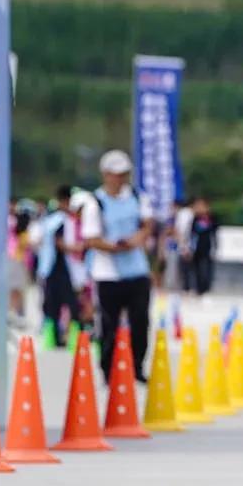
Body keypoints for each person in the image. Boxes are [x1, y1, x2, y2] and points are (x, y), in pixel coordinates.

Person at [80, 151, 155, 382]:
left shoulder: (136, 197)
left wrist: (135, 240)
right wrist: (114, 247)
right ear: (106, 175)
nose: (120, 179)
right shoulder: (95, 203)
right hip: (108, 273)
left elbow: (147, 225)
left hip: (137, 270)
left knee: (140, 321)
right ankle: (108, 369)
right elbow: (91, 238)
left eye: (123, 174)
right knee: (108, 324)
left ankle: (137, 366)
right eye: (115, 174)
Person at [37, 187, 85, 344]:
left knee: (72, 304)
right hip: (54, 268)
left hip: (69, 269)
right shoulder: (57, 220)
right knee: (53, 304)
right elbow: (56, 242)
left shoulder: (67, 220)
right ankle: (54, 337)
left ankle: (73, 338)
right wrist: (76, 248)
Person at [187, 198, 217, 297]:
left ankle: (206, 289)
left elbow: (214, 233)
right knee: (196, 269)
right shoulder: (195, 219)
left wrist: (215, 247)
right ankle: (198, 289)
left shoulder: (211, 218)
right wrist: (190, 248)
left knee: (206, 269)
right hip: (196, 248)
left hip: (207, 248)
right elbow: (192, 234)